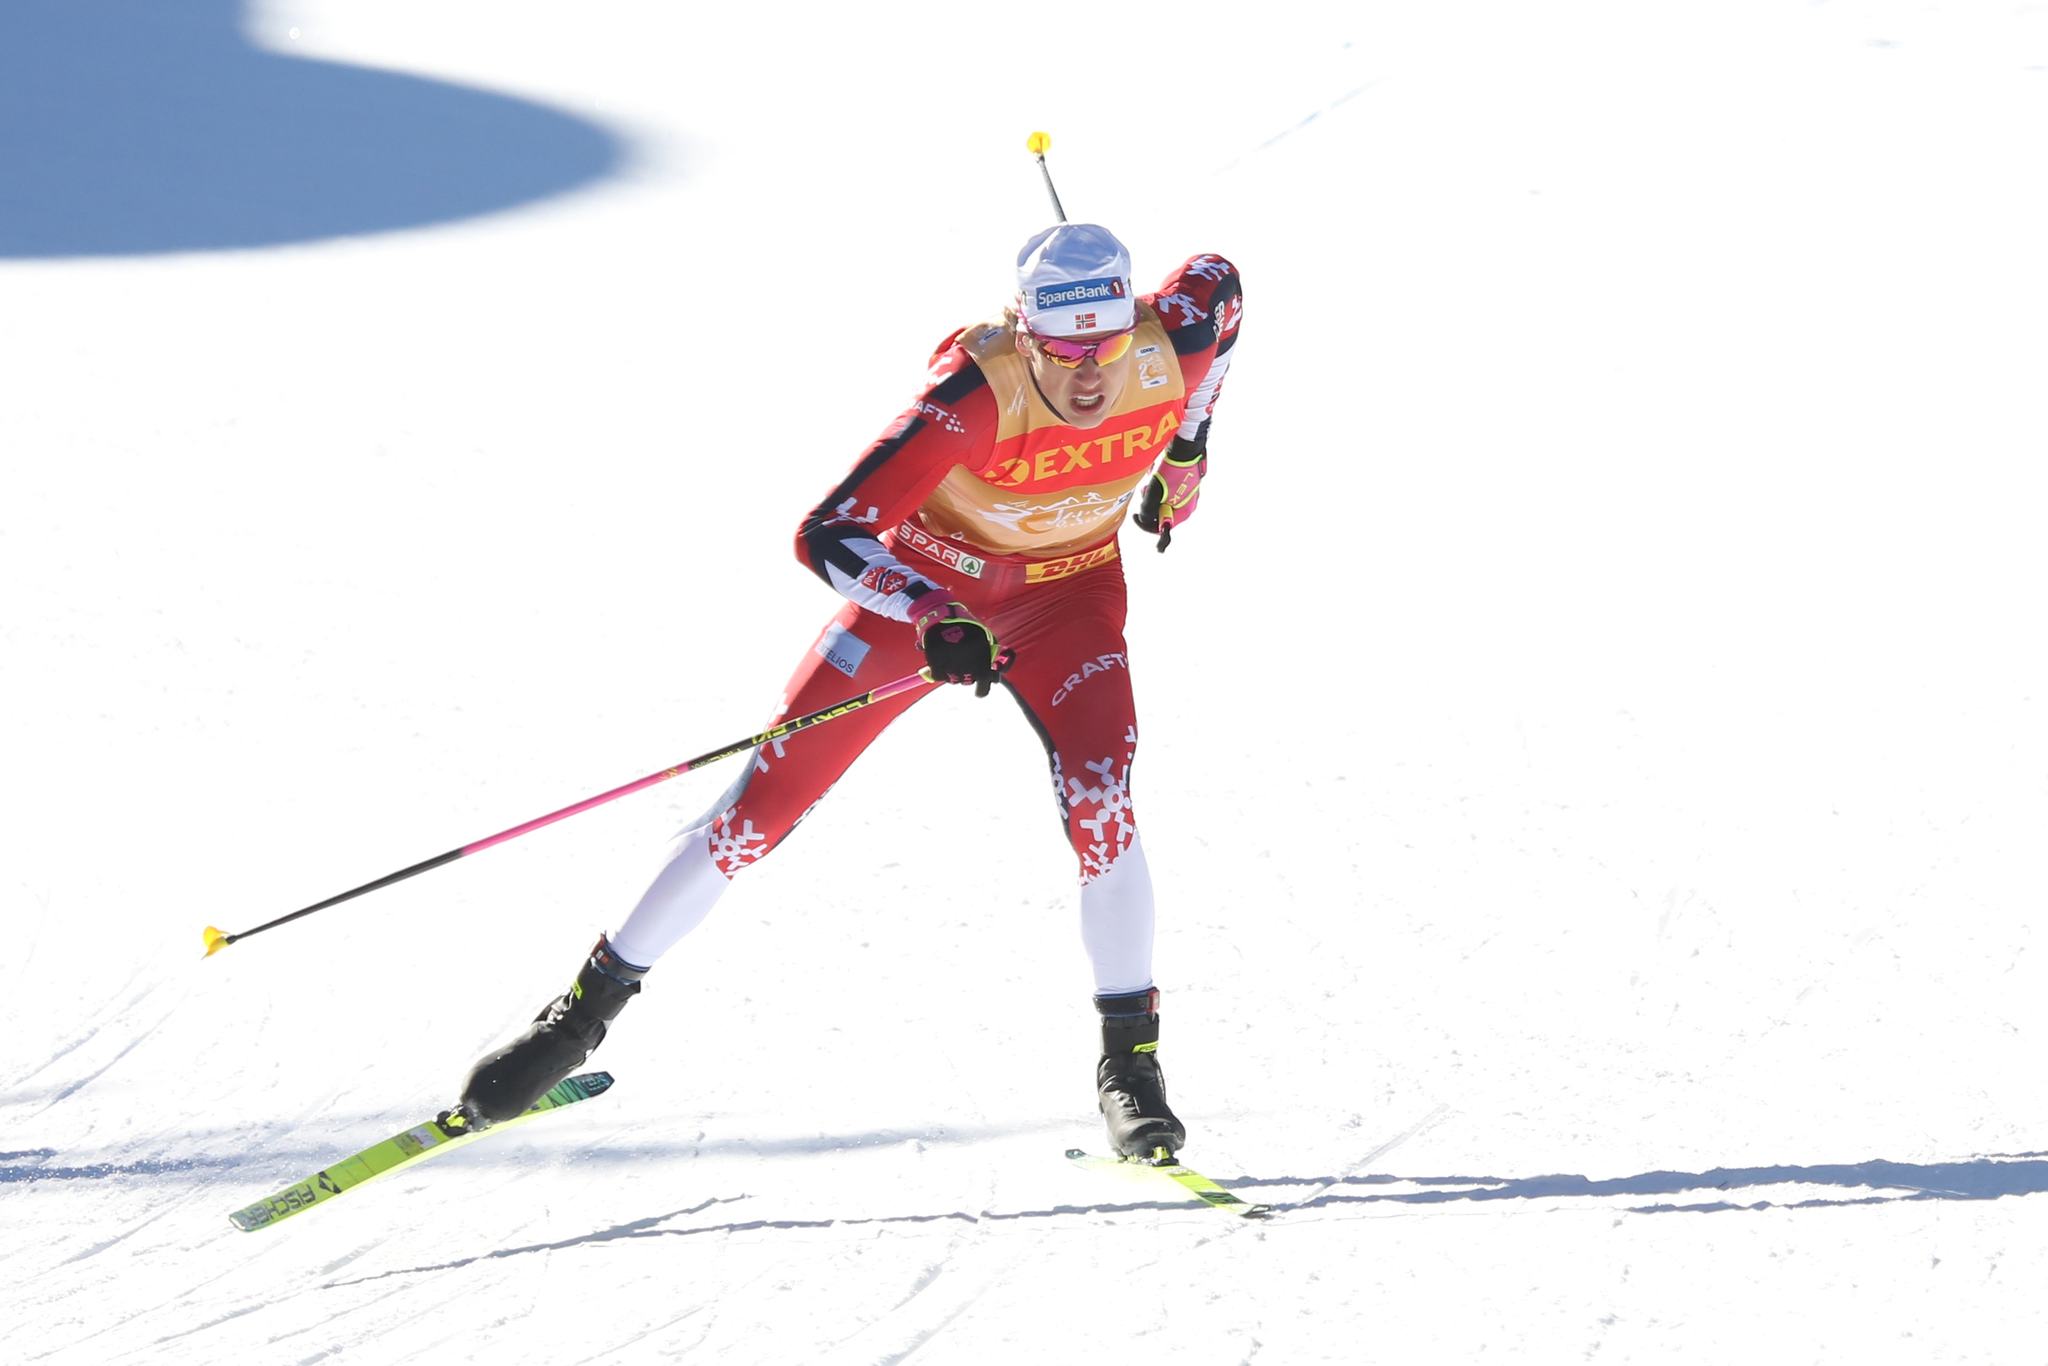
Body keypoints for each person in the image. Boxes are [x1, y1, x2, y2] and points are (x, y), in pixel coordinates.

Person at [458, 223, 1243, 1159]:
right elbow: (828, 530)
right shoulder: (971, 397)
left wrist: (1188, 450)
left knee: (1103, 805)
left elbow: (1222, 285)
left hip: (1069, 600)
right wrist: (930, 611)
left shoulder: (1172, 342)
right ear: (1023, 333)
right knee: (759, 809)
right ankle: (575, 1024)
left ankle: (1131, 1067)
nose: (1088, 377)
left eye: (1105, 348)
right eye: (1063, 353)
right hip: (933, 592)